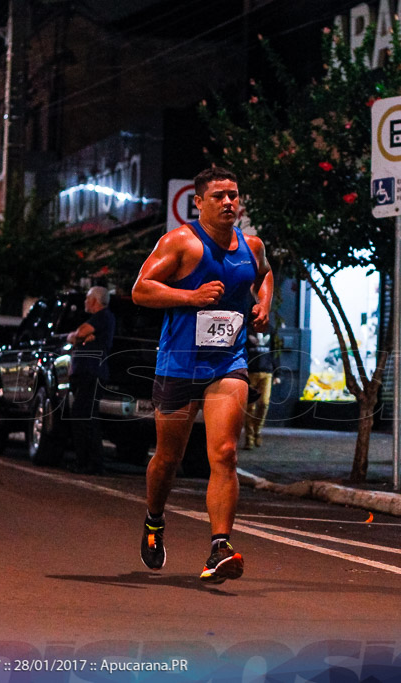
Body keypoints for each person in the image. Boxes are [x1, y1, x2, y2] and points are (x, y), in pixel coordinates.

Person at [132, 166, 273, 584]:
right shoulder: (180, 243)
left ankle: (219, 546)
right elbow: (141, 289)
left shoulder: (252, 245)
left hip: (228, 363)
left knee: (225, 452)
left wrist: (264, 304)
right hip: (178, 364)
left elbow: (264, 275)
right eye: (218, 196)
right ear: (199, 203)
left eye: (234, 195)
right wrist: (189, 296)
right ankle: (154, 520)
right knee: (168, 460)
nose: (229, 202)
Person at [67, 286, 115, 474]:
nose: (85, 302)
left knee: (85, 416)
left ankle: (90, 463)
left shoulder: (103, 316)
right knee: (84, 416)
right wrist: (81, 337)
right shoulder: (100, 319)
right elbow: (79, 336)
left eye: (87, 298)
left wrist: (80, 336)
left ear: (95, 300)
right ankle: (88, 462)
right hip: (88, 374)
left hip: (92, 373)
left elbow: (78, 334)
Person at [242, 328, 279, 449]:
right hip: (249, 372)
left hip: (267, 372)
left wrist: (277, 373)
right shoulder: (246, 329)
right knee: (249, 407)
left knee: (264, 403)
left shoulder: (271, 329)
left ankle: (257, 430)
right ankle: (250, 438)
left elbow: (276, 351)